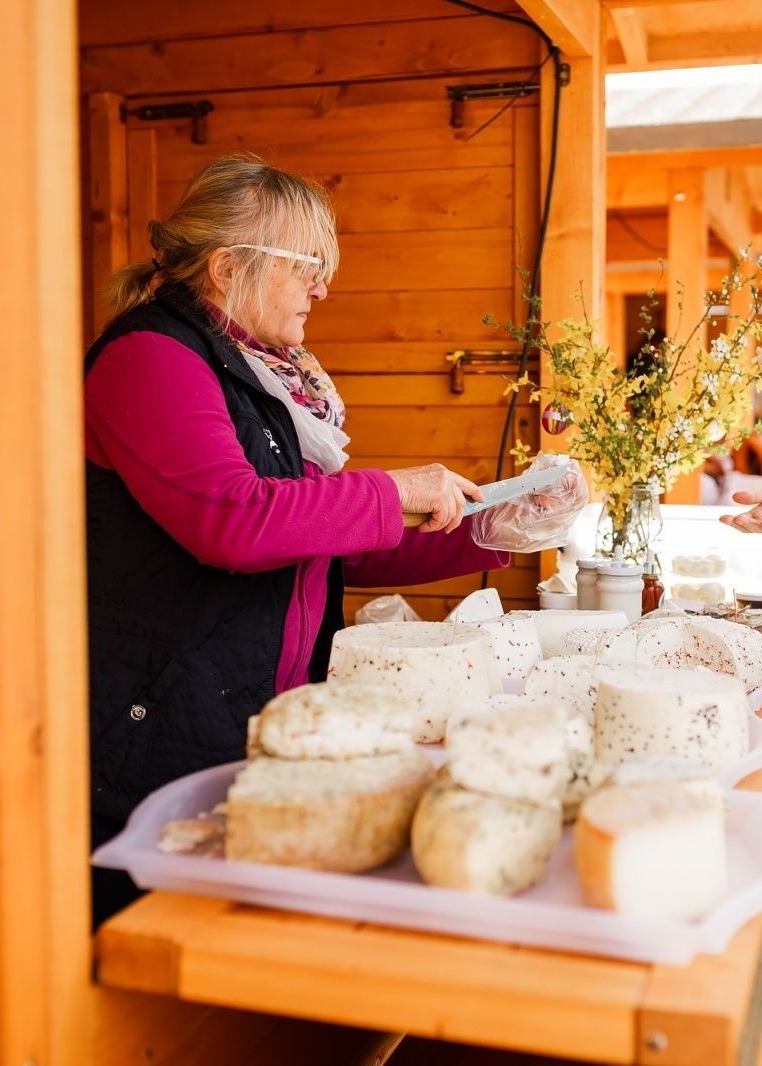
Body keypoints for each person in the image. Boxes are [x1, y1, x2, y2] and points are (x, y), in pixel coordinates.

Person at [81, 155, 568, 924]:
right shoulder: (149, 358)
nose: (324, 287)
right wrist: (396, 489)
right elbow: (235, 521)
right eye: (309, 265)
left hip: (247, 720)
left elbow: (324, 541)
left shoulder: (263, 379)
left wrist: (492, 527)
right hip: (155, 735)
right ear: (229, 265)